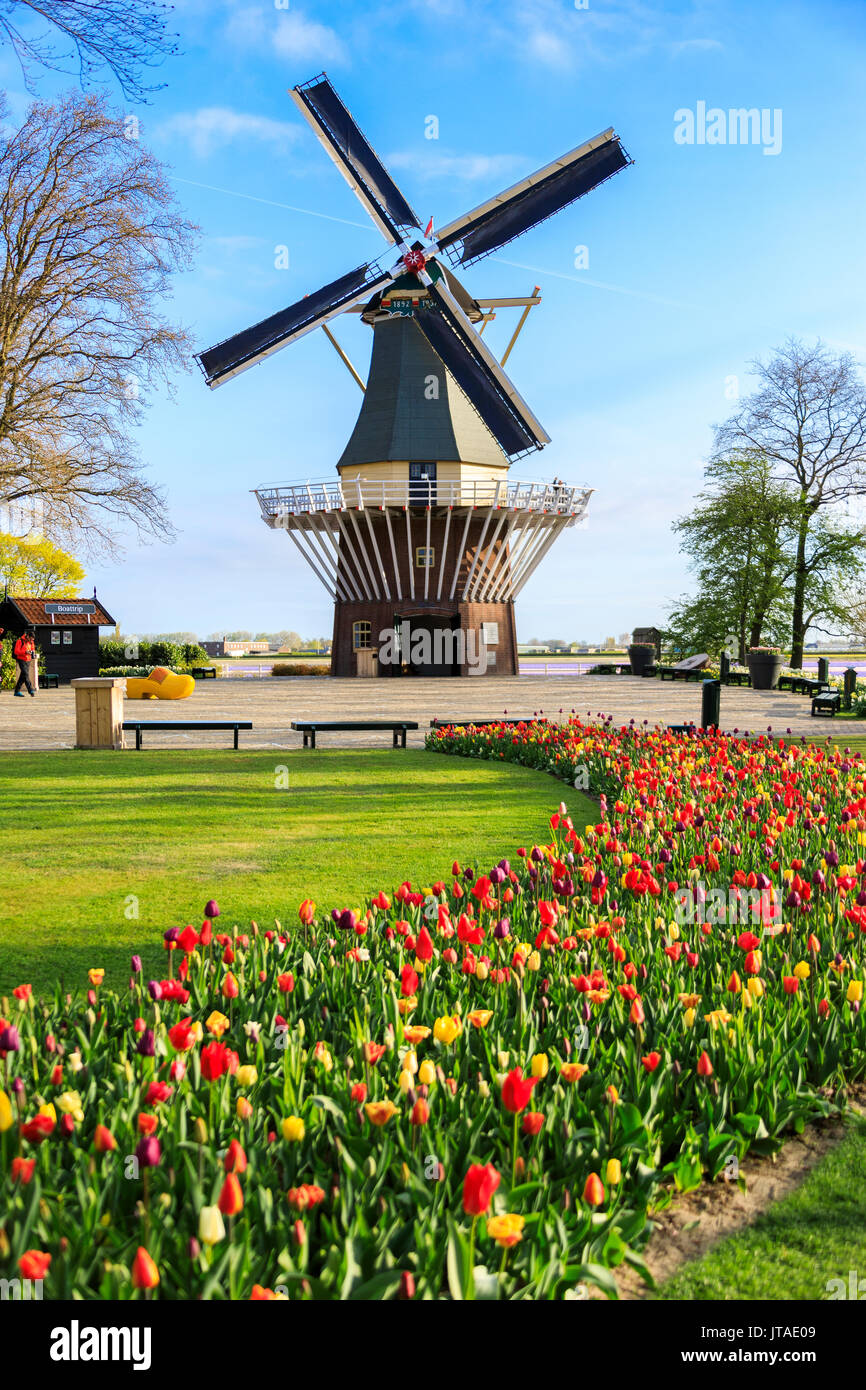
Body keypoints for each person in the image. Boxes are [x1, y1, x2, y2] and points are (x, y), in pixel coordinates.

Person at [13, 628, 37, 696]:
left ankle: (16, 691)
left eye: (32, 640)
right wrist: (25, 652)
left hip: (28, 660)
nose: (31, 641)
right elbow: (16, 651)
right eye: (31, 639)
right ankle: (31, 690)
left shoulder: (31, 642)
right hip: (21, 659)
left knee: (23, 676)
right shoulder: (20, 641)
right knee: (25, 674)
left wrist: (33, 653)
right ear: (28, 636)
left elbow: (32, 649)